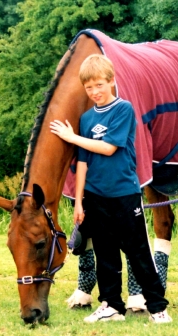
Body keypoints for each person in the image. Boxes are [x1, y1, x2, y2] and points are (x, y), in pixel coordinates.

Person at [49, 54, 172, 323]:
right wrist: (79, 202)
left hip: (125, 194)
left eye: (99, 85)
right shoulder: (86, 119)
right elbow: (82, 162)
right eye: (89, 87)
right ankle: (111, 305)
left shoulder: (124, 109)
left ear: (112, 81)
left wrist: (71, 137)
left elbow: (109, 147)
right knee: (105, 253)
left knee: (138, 250)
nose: (95, 92)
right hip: (95, 196)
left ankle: (157, 307)